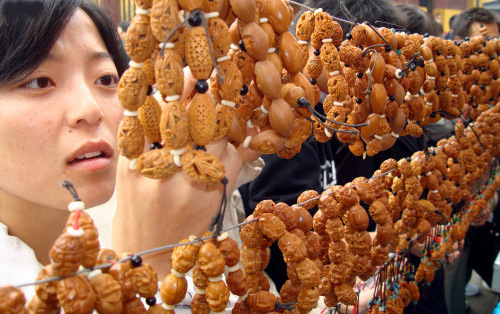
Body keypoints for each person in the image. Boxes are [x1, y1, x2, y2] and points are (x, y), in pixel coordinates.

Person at [0, 0, 254, 302]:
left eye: (105, 79)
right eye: (39, 81)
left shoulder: (148, 196)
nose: (91, 109)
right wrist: (146, 264)